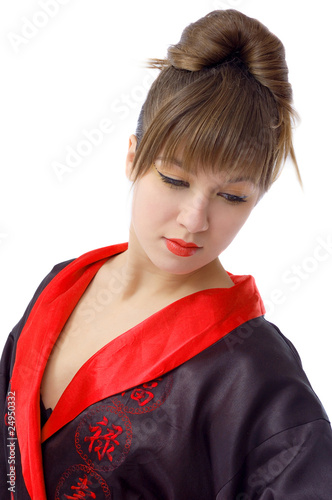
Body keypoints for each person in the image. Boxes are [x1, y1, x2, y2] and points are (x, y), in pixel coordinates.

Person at [1, 8, 332, 499]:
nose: (194, 220)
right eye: (175, 180)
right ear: (133, 156)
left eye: (232, 196)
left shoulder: (254, 371)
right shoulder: (62, 285)